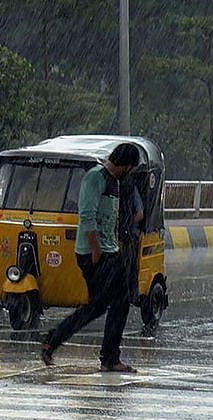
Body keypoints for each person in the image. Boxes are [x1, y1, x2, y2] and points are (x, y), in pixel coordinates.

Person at [40, 143, 141, 372]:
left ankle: (54, 340)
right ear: (125, 165)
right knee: (118, 301)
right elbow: (86, 215)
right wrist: (96, 250)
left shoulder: (112, 181)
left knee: (99, 306)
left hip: (109, 252)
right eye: (130, 167)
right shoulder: (95, 178)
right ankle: (109, 358)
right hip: (95, 253)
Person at [118, 176, 145, 304]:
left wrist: (127, 224)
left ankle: (130, 294)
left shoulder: (130, 190)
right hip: (119, 233)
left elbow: (140, 214)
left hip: (129, 235)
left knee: (129, 265)